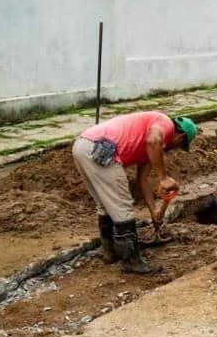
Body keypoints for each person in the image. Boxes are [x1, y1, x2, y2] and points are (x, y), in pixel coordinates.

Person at [72, 112, 197, 274]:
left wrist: (155, 213)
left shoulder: (152, 143)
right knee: (123, 206)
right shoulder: (165, 124)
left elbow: (142, 180)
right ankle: (131, 261)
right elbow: (153, 140)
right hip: (100, 149)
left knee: (106, 205)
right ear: (180, 138)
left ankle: (110, 253)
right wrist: (163, 178)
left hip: (83, 146)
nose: (175, 150)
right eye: (180, 146)